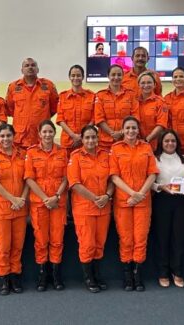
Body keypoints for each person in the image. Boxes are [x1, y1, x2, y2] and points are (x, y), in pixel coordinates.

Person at [109, 116, 158, 291]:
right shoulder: (115, 149)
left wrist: (141, 194)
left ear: (138, 130)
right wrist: (132, 194)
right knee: (126, 239)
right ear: (123, 130)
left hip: (143, 201)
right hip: (124, 201)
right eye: (127, 128)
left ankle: (138, 275)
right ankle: (127, 276)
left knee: (140, 239)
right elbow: (114, 176)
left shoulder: (146, 148)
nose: (131, 131)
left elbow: (152, 174)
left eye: (134, 128)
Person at [67, 125, 113, 293]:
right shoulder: (76, 157)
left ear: (98, 138)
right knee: (87, 244)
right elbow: (74, 183)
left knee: (99, 244)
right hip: (84, 208)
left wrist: (107, 196)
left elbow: (112, 179)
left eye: (93, 137)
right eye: (87, 138)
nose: (91, 141)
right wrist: (95, 198)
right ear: (82, 139)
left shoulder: (106, 156)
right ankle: (88, 278)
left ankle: (97, 274)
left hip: (103, 207)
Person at [24, 120, 68, 292]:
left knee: (57, 239)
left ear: (53, 133)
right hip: (39, 203)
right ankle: (42, 274)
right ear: (39, 134)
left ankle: (56, 274)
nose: (48, 135)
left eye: (50, 131)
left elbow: (66, 177)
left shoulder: (62, 152)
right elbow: (29, 178)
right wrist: (45, 198)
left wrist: (56, 196)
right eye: (45, 132)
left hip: (58, 203)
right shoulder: (32, 153)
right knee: (41, 240)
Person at [0, 123, 29, 295]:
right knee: (3, 247)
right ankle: (3, 278)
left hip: (19, 209)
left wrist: (22, 199)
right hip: (1, 209)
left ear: (14, 136)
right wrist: (13, 199)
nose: (5, 139)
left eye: (8, 135)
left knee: (17, 246)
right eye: (2, 136)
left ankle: (15, 276)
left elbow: (28, 179)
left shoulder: (22, 155)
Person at [151, 130, 184, 288]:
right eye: (166, 141)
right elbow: (150, 181)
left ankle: (177, 271)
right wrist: (159, 187)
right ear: (161, 143)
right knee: (162, 237)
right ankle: (163, 272)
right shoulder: (155, 159)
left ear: (177, 143)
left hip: (181, 200)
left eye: (173, 141)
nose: (170, 144)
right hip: (162, 199)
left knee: (179, 237)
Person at [5, 58, 59, 148]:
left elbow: (54, 108)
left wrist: (40, 116)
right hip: (20, 138)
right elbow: (10, 110)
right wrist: (24, 117)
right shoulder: (13, 87)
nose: (30, 67)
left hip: (41, 138)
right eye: (27, 65)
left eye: (33, 65)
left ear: (38, 69)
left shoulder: (48, 85)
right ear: (22, 70)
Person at [94, 64, 140, 151]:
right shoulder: (100, 95)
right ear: (108, 76)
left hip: (126, 139)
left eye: (119, 75)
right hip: (105, 142)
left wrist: (122, 132)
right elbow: (99, 118)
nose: (116, 77)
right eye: (113, 74)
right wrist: (112, 133)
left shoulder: (130, 94)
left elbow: (135, 116)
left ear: (123, 76)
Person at [57, 65, 95, 156]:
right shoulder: (62, 96)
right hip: (67, 141)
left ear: (83, 77)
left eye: (78, 75)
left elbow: (94, 118)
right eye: (73, 75)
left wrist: (82, 136)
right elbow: (60, 119)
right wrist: (73, 136)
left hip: (86, 141)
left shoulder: (92, 96)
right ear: (69, 77)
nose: (76, 78)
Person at [137, 71, 169, 149]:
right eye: (143, 83)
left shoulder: (161, 102)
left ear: (154, 85)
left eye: (149, 82)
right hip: (137, 142)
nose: (146, 85)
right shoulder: (135, 102)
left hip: (155, 143)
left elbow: (161, 124)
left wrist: (148, 139)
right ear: (139, 85)